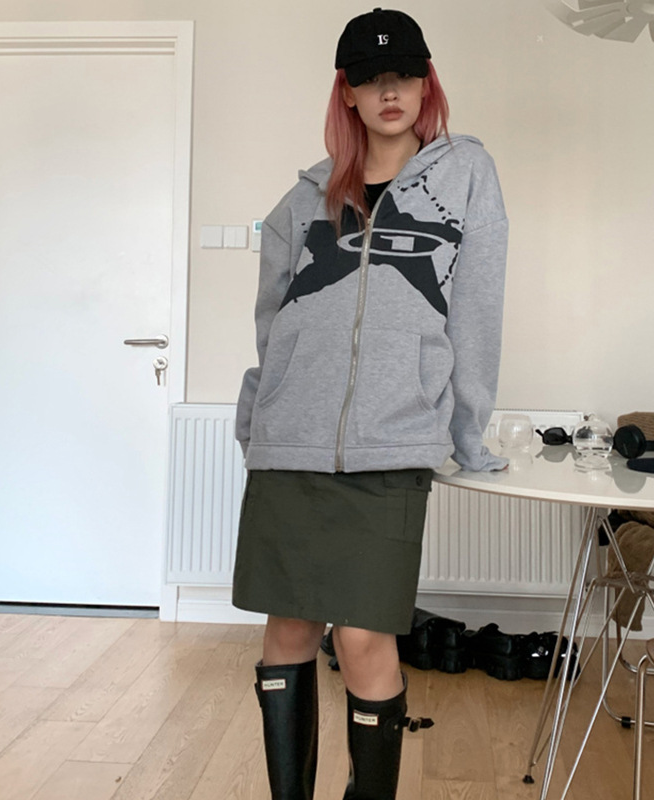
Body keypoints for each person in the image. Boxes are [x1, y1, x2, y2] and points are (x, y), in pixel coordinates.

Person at [232, 8, 508, 799]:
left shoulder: (466, 175)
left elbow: (476, 315)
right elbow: (273, 324)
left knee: (362, 638)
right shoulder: (303, 199)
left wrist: (467, 433)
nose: (390, 91)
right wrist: (260, 417)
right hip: (291, 445)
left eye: (405, 75)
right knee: (288, 629)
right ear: (346, 92)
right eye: (369, 78)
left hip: (391, 445)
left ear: (426, 83)